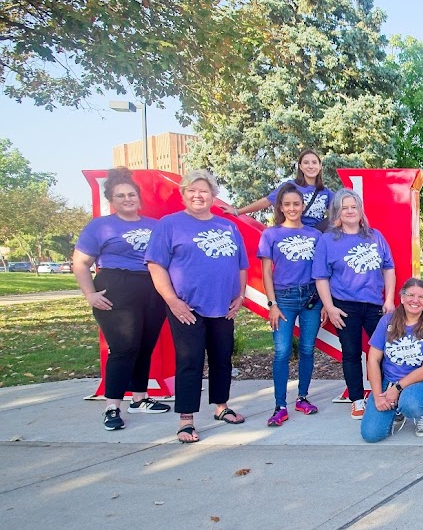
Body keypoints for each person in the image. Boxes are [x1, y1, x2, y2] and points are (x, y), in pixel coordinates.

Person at [146, 170, 248, 443]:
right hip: (186, 307)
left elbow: (241, 265)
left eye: (204, 191)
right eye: (191, 190)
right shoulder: (170, 224)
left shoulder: (228, 227)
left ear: (213, 196)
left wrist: (240, 296)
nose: (198, 195)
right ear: (183, 195)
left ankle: (221, 406)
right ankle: (186, 419)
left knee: (222, 358)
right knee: (189, 361)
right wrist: (172, 301)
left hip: (223, 306)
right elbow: (156, 265)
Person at [73, 167, 171, 431]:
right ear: (111, 200)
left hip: (152, 287)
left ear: (138, 197)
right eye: (120, 195)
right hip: (116, 286)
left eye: (131, 194)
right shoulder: (100, 226)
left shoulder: (155, 225)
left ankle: (140, 399)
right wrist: (89, 294)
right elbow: (80, 263)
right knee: (124, 348)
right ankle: (112, 407)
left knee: (145, 346)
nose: (127, 199)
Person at [313, 188, 396, 419]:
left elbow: (388, 267)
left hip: (375, 305)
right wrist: (330, 307)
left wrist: (389, 299)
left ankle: (387, 396)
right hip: (344, 306)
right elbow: (321, 277)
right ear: (337, 212)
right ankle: (357, 400)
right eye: (345, 208)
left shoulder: (375, 236)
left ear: (360, 210)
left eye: (354, 207)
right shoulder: (328, 240)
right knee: (350, 353)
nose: (350, 211)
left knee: (384, 351)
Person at [258, 183, 323, 427]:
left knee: (307, 349)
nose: (292, 208)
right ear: (281, 207)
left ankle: (302, 398)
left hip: (311, 299)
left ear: (303, 206)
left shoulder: (315, 235)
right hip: (283, 299)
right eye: (287, 204)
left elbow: (321, 272)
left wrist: (323, 302)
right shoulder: (271, 234)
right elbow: (266, 272)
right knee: (282, 351)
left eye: (296, 204)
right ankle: (280, 405)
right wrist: (272, 303)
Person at [360, 278, 423, 442]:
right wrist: (378, 396)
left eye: (421, 297)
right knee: (371, 434)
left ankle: (419, 411)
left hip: (422, 382)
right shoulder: (387, 321)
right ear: (402, 297)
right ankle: (397, 409)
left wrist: (397, 388)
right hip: (390, 381)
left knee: (410, 404)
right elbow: (373, 359)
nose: (415, 300)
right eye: (411, 295)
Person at [227, 149, 333, 229]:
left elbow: (341, 207)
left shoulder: (325, 192)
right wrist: (238, 211)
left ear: (320, 166)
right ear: (300, 167)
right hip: (295, 230)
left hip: (317, 233)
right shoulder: (290, 186)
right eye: (306, 163)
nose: (310, 166)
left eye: (314, 162)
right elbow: (267, 201)